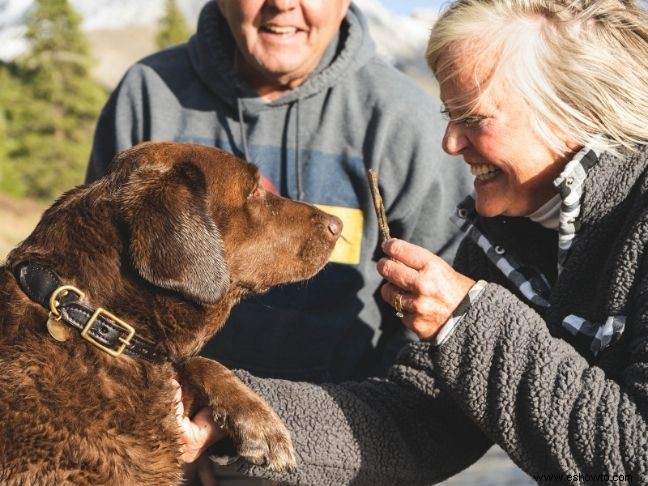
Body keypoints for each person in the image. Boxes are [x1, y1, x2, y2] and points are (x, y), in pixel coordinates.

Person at [178, 0, 648, 484]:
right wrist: (230, 414)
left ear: (575, 108)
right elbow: (421, 423)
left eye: (474, 117)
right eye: (449, 114)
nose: (449, 143)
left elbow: (634, 455)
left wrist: (466, 322)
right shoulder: (503, 238)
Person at [86, 0, 471, 384]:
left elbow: (437, 327)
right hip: (168, 421)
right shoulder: (149, 97)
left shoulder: (404, 122)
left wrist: (370, 428)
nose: (283, 4)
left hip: (344, 423)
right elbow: (96, 283)